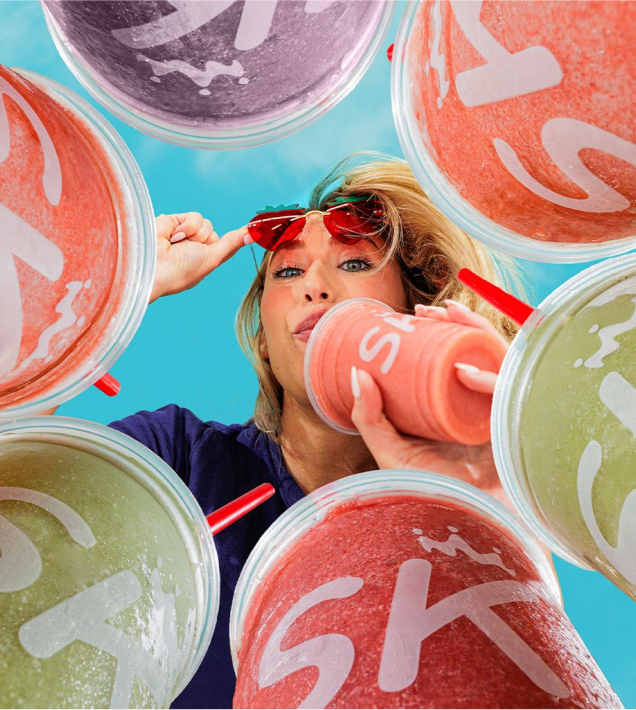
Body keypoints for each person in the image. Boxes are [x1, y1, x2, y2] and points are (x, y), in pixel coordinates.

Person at [48, 154, 520, 708]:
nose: (314, 287)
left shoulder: (468, 505)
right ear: (266, 344)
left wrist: (489, 525)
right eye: (288, 272)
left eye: (354, 264)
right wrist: (117, 293)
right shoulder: (180, 460)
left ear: (414, 310)